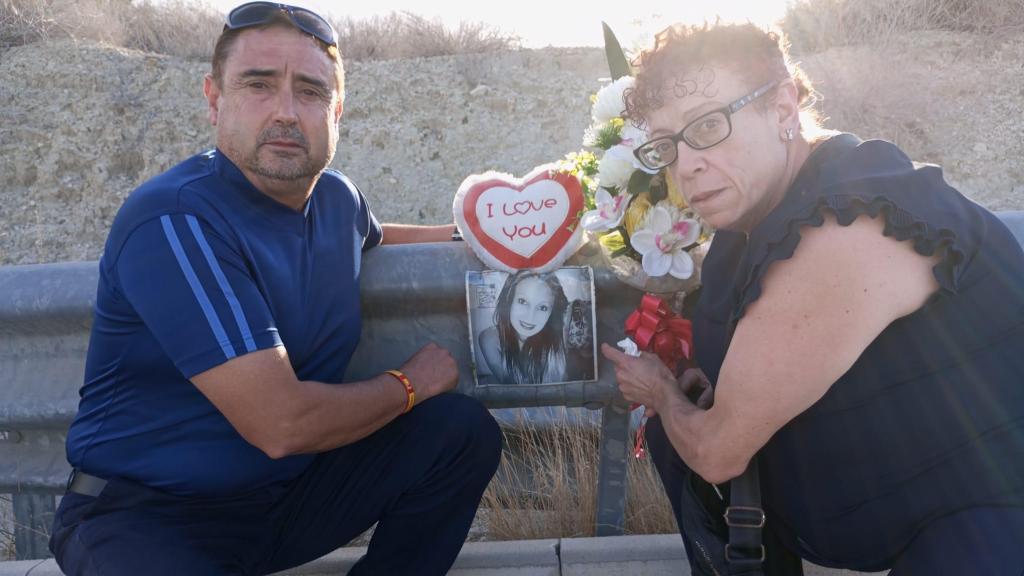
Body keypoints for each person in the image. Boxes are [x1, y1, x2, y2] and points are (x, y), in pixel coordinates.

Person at [48, 4, 501, 575]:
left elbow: (383, 238)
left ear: (337, 111)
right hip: (146, 516)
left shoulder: (337, 200)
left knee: (458, 435)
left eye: (311, 92)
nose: (287, 112)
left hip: (277, 503)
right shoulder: (174, 219)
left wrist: (502, 232)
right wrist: (409, 384)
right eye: (258, 85)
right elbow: (281, 424)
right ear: (214, 99)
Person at [601, 22, 1024, 575]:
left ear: (782, 109)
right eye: (666, 145)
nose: (686, 167)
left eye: (707, 125)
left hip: (993, 525)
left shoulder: (846, 227)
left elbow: (718, 451)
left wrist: (659, 391)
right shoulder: (753, 224)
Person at [478, 270, 570, 384]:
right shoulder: (490, 339)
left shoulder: (562, 337)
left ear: (552, 313)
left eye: (543, 307)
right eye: (522, 301)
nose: (530, 317)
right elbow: (512, 389)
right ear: (509, 301)